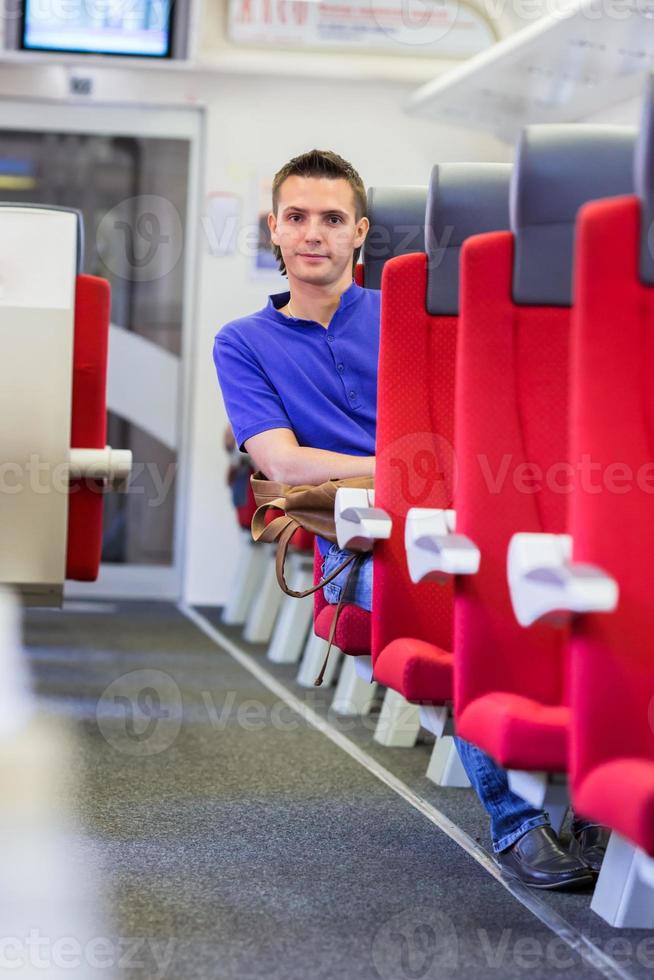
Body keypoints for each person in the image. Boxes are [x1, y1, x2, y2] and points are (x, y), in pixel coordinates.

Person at [213, 148, 607, 890]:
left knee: (572, 605)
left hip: (470, 528)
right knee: (468, 612)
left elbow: (471, 444)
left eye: (332, 219)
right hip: (355, 553)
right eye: (297, 217)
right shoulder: (242, 343)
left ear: (361, 232)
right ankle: (517, 827)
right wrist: (400, 473)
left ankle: (591, 802)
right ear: (274, 228)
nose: (313, 234)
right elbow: (286, 466)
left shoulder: (415, 314)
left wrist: (389, 468)